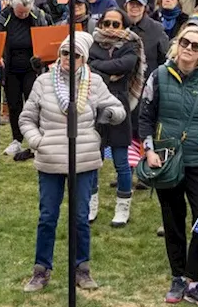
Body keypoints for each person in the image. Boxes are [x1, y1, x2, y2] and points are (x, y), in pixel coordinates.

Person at [20, 30, 123, 292]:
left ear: (84, 59)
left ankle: (82, 270)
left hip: (84, 158)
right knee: (47, 216)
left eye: (75, 54)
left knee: (80, 217)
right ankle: (41, 270)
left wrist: (109, 113)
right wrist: (37, 141)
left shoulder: (95, 82)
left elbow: (119, 109)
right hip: (51, 158)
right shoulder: (43, 82)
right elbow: (26, 118)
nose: (68, 58)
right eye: (65, 53)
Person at [139, 23, 198, 307]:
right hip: (166, 160)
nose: (189, 49)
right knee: (172, 219)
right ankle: (177, 276)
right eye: (185, 43)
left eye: (196, 46)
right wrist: (149, 150)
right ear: (177, 45)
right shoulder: (158, 76)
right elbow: (145, 116)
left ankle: (195, 280)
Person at [90, 8, 145, 227]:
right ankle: (91, 203)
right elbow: (89, 67)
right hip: (95, 107)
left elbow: (126, 65)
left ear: (123, 26)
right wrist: (106, 72)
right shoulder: (93, 45)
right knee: (94, 159)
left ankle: (123, 206)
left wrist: (99, 68)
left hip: (121, 107)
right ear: (101, 24)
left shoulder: (132, 45)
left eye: (116, 24)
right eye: (107, 24)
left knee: (122, 161)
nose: (111, 28)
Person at [1, 0, 50, 161]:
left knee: (34, 104)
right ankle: (16, 138)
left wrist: (42, 59)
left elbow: (46, 39)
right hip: (11, 68)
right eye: (20, 12)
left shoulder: (38, 16)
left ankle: (35, 139)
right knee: (14, 105)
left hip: (32, 68)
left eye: (26, 12)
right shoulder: (4, 16)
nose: (23, 15)